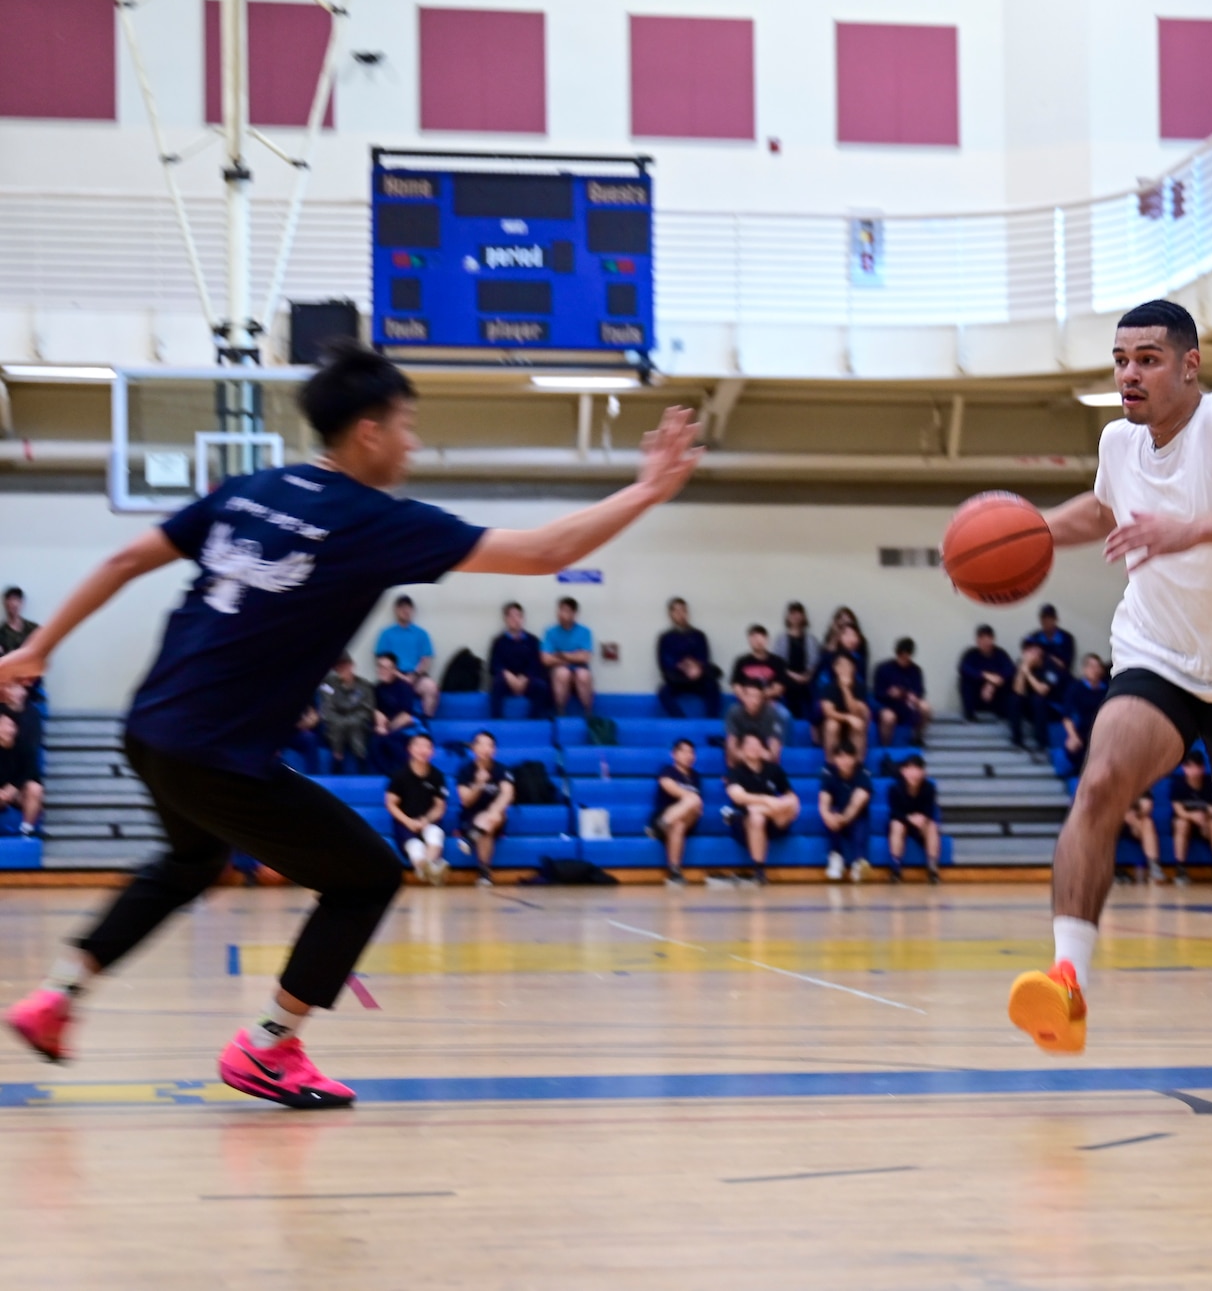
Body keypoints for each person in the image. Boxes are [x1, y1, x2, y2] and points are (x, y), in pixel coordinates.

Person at [0, 340, 700, 1107]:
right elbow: (542, 553)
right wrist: (647, 492)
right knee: (367, 876)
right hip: (217, 751)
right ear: (368, 430)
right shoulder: (374, 521)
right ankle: (268, 1046)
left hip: (151, 728)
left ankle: (59, 993)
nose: (414, 442)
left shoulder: (250, 488)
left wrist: (38, 647)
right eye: (406, 424)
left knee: (191, 861)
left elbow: (125, 559)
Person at [1006, 300, 1212, 1055]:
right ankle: (1066, 979)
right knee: (1100, 783)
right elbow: (1101, 510)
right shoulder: (1118, 442)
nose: (1130, 373)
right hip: (1158, 656)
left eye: (1148, 358)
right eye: (1121, 359)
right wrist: (1024, 529)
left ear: (1190, 364)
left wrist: (1188, 529)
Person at [723, 734, 797, 886]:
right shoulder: (735, 771)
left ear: (763, 749)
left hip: (775, 819)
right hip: (744, 822)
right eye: (749, 744)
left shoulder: (774, 770)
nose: (753, 748)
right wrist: (767, 800)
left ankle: (761, 811)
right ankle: (759, 870)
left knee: (791, 805)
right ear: (742, 750)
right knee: (756, 817)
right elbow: (738, 796)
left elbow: (791, 797)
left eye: (757, 744)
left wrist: (775, 805)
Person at [388, 733, 450, 887]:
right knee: (415, 847)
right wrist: (408, 822)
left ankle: (426, 869)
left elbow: (440, 806)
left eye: (427, 746)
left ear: (432, 751)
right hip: (405, 823)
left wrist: (426, 820)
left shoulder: (437, 776)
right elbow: (390, 804)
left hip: (428, 822)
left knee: (435, 834)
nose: (423, 750)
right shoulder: (399, 776)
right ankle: (432, 869)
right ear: (410, 749)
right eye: (418, 745)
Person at [454, 730, 513, 887]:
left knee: (494, 816)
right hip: (470, 817)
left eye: (489, 745)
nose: (485, 749)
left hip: (497, 814)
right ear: (473, 748)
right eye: (481, 744)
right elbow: (466, 801)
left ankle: (471, 839)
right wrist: (479, 784)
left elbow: (508, 794)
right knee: (487, 828)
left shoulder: (501, 770)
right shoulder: (465, 771)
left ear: (494, 750)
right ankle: (484, 872)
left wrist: (493, 809)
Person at [1168, 751, 1212, 885]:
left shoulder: (1210, 783)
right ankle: (1180, 869)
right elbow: (1178, 810)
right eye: (1190, 767)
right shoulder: (1178, 783)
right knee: (1181, 824)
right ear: (1184, 768)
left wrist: (1204, 819)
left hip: (1205, 823)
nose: (1194, 771)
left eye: (1197, 766)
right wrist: (1193, 816)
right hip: (1186, 822)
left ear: (1202, 768)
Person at [373, 595, 439, 718]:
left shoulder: (421, 633)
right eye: (402, 608)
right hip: (393, 677)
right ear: (396, 610)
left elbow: (426, 659)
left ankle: (426, 722)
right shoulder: (386, 633)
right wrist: (398, 675)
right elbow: (381, 659)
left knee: (431, 687)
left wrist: (414, 675)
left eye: (408, 608)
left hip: (415, 677)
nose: (405, 611)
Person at [657, 598, 722, 719]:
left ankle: (710, 729)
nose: (680, 614)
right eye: (676, 611)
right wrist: (684, 666)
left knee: (713, 686)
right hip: (677, 679)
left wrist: (696, 668)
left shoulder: (699, 635)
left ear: (687, 613)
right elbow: (664, 663)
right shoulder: (665, 638)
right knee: (663, 692)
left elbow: (704, 658)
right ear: (670, 614)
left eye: (683, 610)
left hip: (698, 678)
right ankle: (682, 722)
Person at [652, 737, 703, 887]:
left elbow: (698, 805)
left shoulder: (695, 776)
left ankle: (659, 827)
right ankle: (675, 872)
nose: (688, 756)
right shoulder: (668, 770)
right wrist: (689, 797)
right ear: (674, 754)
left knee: (692, 804)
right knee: (678, 824)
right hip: (668, 813)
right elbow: (668, 786)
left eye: (691, 752)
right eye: (684, 752)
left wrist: (691, 802)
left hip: (690, 817)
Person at [819, 742, 873, 882]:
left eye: (848, 757)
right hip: (837, 815)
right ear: (835, 759)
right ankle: (836, 857)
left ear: (855, 759)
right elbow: (824, 800)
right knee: (831, 813)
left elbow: (858, 801)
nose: (844, 761)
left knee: (860, 819)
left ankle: (858, 862)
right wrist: (828, 816)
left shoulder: (862, 772)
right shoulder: (829, 772)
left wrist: (844, 818)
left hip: (854, 815)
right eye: (840, 757)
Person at [886, 753, 943, 884]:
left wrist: (923, 818)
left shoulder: (929, 788)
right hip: (903, 821)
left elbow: (930, 810)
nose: (914, 774)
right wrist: (909, 818)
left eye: (917, 769)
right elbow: (894, 812)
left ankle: (933, 869)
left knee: (932, 826)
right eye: (910, 769)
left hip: (921, 823)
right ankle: (896, 869)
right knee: (896, 825)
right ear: (903, 771)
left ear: (923, 772)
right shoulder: (894, 788)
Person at [488, 602, 550, 719]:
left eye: (518, 616)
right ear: (505, 619)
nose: (515, 619)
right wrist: (508, 676)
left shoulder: (532, 640)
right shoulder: (498, 641)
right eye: (511, 616)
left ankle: (534, 721)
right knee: (496, 684)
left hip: (527, 680)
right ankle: (497, 721)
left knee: (541, 686)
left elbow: (536, 664)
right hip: (506, 680)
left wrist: (525, 677)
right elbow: (494, 665)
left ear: (522, 618)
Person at [0, 679, 46, 836]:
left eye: (12, 726)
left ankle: (26, 832)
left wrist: (12, 787)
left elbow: (30, 769)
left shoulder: (23, 744)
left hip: (17, 786)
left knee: (35, 789)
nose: (9, 729)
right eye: (5, 725)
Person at [315, 653, 374, 774]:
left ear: (352, 665)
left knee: (356, 730)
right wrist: (343, 723)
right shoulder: (328, 685)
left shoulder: (364, 686)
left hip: (357, 730)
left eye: (345, 666)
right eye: (338, 667)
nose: (342, 670)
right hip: (334, 730)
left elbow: (366, 710)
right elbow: (328, 709)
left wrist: (346, 722)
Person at [541, 597, 595, 717]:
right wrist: (573, 656)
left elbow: (585, 657)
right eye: (560, 610)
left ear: (574, 613)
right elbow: (545, 659)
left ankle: (588, 713)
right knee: (563, 673)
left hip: (579, 668)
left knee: (583, 675)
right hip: (558, 668)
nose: (561, 614)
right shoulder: (550, 632)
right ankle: (560, 712)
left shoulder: (585, 631)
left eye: (565, 611)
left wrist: (562, 654)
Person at [873, 637, 931, 747]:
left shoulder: (916, 670)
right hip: (887, 704)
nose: (904, 659)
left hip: (907, 705)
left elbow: (920, 690)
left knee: (925, 707)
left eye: (907, 656)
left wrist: (914, 696)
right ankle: (885, 746)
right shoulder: (883, 668)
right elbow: (877, 692)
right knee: (889, 717)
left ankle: (917, 737)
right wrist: (889, 694)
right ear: (897, 653)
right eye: (902, 656)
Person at [371, 652, 422, 772]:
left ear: (394, 669)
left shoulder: (404, 687)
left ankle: (402, 775)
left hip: (404, 728)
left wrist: (387, 728)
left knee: (391, 741)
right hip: (384, 729)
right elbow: (374, 710)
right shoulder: (376, 688)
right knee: (373, 742)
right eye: (380, 667)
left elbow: (406, 716)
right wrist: (377, 720)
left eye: (386, 667)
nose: (382, 670)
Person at [815, 652, 871, 760]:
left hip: (853, 726)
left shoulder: (860, 687)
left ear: (853, 668)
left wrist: (846, 689)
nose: (844, 669)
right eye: (841, 665)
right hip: (834, 725)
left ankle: (858, 765)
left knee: (859, 723)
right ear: (835, 668)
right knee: (832, 725)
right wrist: (847, 718)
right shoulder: (828, 687)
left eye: (848, 665)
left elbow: (856, 711)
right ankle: (830, 765)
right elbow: (828, 712)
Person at [1061, 654, 1110, 769]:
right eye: (1091, 666)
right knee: (1074, 750)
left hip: (1103, 732)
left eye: (1098, 667)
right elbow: (1067, 717)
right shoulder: (1075, 688)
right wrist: (1072, 736)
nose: (1095, 670)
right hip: (1083, 732)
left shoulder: (1108, 689)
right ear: (1085, 669)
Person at [957, 625, 1015, 723]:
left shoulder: (1000, 654)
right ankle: (970, 716)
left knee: (1010, 682)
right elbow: (963, 668)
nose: (985, 642)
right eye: (981, 639)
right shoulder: (971, 654)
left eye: (988, 639)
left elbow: (1010, 670)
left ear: (993, 639)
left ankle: (1004, 716)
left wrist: (992, 684)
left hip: (996, 697)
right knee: (965, 681)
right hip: (978, 696)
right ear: (977, 641)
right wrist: (985, 676)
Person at [1010, 641, 1060, 751]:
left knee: (1038, 700)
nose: (1030, 654)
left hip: (1051, 707)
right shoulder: (1023, 665)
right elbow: (1018, 691)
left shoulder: (1050, 665)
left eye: (1033, 650)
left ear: (1040, 651)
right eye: (1027, 651)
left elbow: (1042, 691)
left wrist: (1027, 672)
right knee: (1014, 700)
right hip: (1032, 707)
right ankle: (1017, 740)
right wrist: (1023, 670)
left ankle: (1041, 743)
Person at [731, 625, 789, 717]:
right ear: (749, 640)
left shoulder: (778, 662)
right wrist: (748, 699)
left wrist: (758, 698)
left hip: (770, 702)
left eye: (760, 638)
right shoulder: (741, 661)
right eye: (753, 638)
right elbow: (736, 685)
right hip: (745, 703)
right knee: (732, 713)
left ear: (766, 640)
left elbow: (779, 688)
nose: (757, 641)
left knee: (785, 715)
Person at [779, 602, 822, 720]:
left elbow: (815, 661)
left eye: (799, 614)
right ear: (788, 617)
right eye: (792, 614)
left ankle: (813, 722)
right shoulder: (781, 639)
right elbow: (779, 663)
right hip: (789, 675)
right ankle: (795, 719)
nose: (796, 617)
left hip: (807, 675)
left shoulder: (811, 639)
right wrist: (794, 676)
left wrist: (807, 675)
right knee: (793, 687)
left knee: (812, 688)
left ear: (803, 617)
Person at [725, 682, 787, 763]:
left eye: (756, 696)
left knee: (775, 759)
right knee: (730, 755)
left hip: (763, 748)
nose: (753, 700)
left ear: (762, 698)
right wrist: (742, 754)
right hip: (741, 748)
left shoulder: (772, 713)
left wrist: (767, 755)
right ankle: (734, 774)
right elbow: (732, 741)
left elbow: (775, 744)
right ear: (743, 697)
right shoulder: (734, 712)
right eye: (749, 696)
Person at [1022, 604, 1076, 686]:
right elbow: (1028, 655)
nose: (1046, 621)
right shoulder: (1034, 637)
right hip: (1038, 677)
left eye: (1049, 618)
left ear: (1056, 619)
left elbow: (1065, 665)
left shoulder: (1067, 638)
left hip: (1061, 679)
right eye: (1044, 618)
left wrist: (1044, 655)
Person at [0, 589, 38, 702]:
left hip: (30, 675)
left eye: (16, 600)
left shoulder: (32, 628)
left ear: (21, 603)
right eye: (10, 600)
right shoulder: (1, 631)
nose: (13, 604)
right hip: (9, 678)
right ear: (5, 604)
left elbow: (42, 650)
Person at [1122, 792, 1164, 884]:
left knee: (1148, 822)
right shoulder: (1113, 783)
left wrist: (1135, 817)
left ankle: (1154, 866)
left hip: (1136, 820)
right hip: (1114, 823)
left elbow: (1147, 806)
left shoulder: (1141, 785)